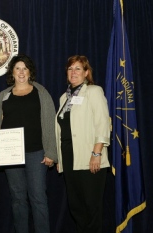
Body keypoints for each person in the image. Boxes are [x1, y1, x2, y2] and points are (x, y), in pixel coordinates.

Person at [0, 54, 57, 233]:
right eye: (17, 68)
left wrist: (51, 152)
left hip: (36, 152)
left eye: (25, 68)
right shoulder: (3, 95)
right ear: (12, 73)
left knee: (38, 197)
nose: (21, 72)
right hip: (11, 155)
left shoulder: (41, 92)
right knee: (17, 199)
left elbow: (50, 122)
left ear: (30, 72)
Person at [55, 55, 110, 233]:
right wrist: (59, 159)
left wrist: (96, 153)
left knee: (91, 207)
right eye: (70, 69)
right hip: (70, 157)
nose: (73, 72)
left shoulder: (93, 91)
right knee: (77, 207)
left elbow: (102, 123)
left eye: (78, 68)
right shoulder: (64, 98)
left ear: (86, 72)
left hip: (89, 157)